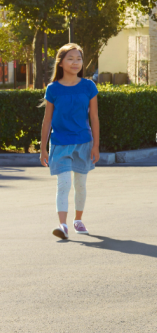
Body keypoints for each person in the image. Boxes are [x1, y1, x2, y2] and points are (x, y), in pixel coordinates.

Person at [38, 43, 101, 240]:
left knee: (80, 184)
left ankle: (78, 220)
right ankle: (63, 225)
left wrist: (97, 146)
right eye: (71, 59)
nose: (75, 63)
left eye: (79, 59)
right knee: (63, 184)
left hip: (84, 142)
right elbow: (47, 120)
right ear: (61, 63)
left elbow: (95, 118)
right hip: (59, 143)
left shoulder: (89, 86)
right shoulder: (53, 88)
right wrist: (42, 148)